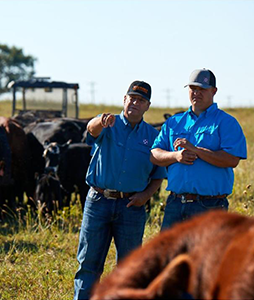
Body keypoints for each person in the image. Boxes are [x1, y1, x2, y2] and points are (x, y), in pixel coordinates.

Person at [73, 80, 167, 300]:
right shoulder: (108, 124)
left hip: (131, 206)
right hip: (98, 201)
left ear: (147, 106)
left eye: (141, 100)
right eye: (132, 98)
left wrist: (145, 196)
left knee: (129, 267)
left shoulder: (153, 137)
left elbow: (158, 175)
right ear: (124, 100)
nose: (135, 102)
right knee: (89, 263)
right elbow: (91, 130)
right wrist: (100, 121)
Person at [150, 68, 247, 231]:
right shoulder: (174, 122)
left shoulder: (225, 122)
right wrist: (176, 156)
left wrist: (196, 150)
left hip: (209, 206)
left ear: (214, 91)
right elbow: (154, 154)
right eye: (193, 89)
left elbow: (232, 160)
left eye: (202, 89)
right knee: (170, 256)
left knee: (207, 256)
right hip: (175, 204)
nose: (196, 93)